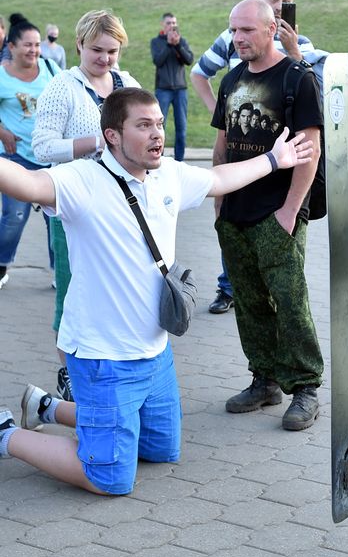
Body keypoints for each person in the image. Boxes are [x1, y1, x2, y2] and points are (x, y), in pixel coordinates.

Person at [0, 87, 312, 493]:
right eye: (143, 125)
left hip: (155, 353)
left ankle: (48, 407)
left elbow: (219, 179)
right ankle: (7, 435)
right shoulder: (83, 181)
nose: (157, 134)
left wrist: (275, 160)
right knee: (109, 478)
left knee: (161, 449)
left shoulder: (168, 174)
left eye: (160, 124)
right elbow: (26, 182)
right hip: (104, 357)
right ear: (113, 135)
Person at [211, 0, 323, 431]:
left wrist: (290, 211)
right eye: (233, 31)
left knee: (291, 301)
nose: (238, 39)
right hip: (234, 211)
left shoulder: (298, 79)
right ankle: (264, 378)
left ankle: (306, 387)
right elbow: (222, 144)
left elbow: (309, 150)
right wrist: (219, 200)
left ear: (271, 28)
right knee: (249, 300)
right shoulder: (232, 78)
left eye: (246, 31)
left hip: (277, 212)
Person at [190, 0, 328, 314]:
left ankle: (297, 369)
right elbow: (199, 75)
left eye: (286, 0)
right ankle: (229, 292)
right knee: (251, 306)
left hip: (279, 202)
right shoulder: (232, 51)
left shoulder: (300, 53)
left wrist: (291, 212)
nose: (280, 4)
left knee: (287, 304)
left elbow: (316, 117)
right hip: (237, 191)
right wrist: (220, 114)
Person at [32, 10, 139, 402]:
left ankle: (113, 365)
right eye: (97, 49)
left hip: (122, 206)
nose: (106, 59)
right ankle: (69, 375)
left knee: (115, 289)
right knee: (72, 292)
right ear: (78, 45)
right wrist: (98, 142)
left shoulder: (127, 83)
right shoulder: (63, 87)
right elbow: (41, 147)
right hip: (73, 210)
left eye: (113, 50)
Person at [0, 15, 60, 292]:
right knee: (14, 216)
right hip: (15, 158)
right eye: (27, 45)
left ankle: (60, 270)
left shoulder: (50, 68)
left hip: (49, 157)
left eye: (37, 45)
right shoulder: (1, 74)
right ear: (11, 46)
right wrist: (2, 131)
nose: (34, 50)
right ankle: (1, 265)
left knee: (56, 218)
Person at [151, 13, 193, 162]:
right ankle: (158, 159)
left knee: (181, 129)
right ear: (163, 24)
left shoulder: (182, 41)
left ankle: (179, 161)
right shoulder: (156, 42)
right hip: (163, 90)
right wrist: (169, 45)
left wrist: (177, 45)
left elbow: (189, 60)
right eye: (168, 23)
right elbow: (158, 61)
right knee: (159, 126)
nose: (171, 25)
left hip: (180, 90)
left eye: (174, 22)